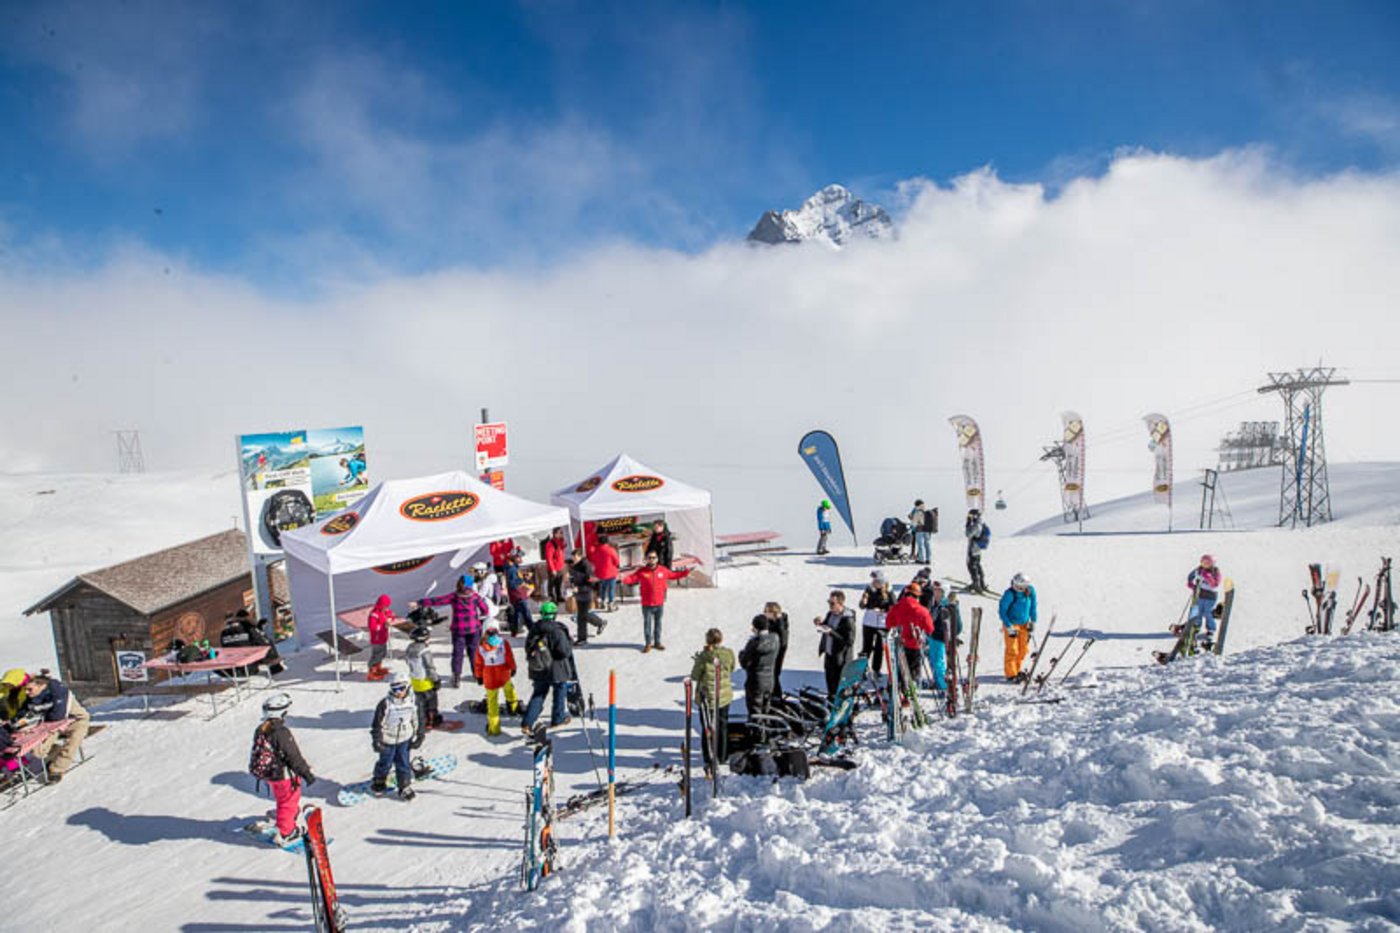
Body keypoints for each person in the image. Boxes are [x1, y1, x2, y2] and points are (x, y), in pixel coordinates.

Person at [248, 693, 316, 847]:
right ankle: (286, 833)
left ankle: (286, 817)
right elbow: (293, 756)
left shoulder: (261, 729)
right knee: (288, 801)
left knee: (283, 799)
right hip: (284, 775)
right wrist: (306, 773)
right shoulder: (281, 732)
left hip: (271, 775)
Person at [418, 576, 492, 689]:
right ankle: (477, 674)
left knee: (458, 653)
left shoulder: (454, 596)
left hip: (458, 629)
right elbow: (485, 610)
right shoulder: (475, 597)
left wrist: (420, 602)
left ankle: (456, 677)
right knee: (474, 652)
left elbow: (438, 601)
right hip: (473, 629)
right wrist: (479, 616)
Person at [20, 674, 91, 782]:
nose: (27, 692)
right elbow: (24, 712)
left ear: (41, 685)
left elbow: (58, 715)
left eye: (30, 689)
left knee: (73, 741)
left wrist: (39, 709)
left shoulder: (59, 691)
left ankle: (57, 768)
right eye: (26, 689)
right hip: (52, 725)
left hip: (76, 720)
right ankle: (56, 751)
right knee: (38, 752)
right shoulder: (33, 696)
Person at [621, 550, 692, 652]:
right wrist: (623, 579)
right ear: (646, 559)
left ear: (657, 559)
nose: (652, 559)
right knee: (647, 625)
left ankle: (657, 642)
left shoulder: (663, 570)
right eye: (649, 558)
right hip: (647, 604)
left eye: (654, 557)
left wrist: (685, 572)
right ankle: (648, 644)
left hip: (659, 603)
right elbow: (632, 578)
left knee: (658, 624)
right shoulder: (642, 571)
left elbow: (674, 575)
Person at [521, 602, 575, 733]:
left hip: (539, 668)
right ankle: (558, 718)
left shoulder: (535, 628)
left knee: (538, 694)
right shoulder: (557, 630)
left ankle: (527, 723)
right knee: (560, 691)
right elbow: (564, 651)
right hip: (556, 668)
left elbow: (528, 648)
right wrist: (569, 643)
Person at [370, 671, 424, 801]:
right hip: (388, 739)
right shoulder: (386, 704)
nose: (398, 692)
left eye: (401, 688)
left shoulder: (413, 702)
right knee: (385, 762)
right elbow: (377, 724)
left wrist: (420, 735)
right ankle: (379, 780)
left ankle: (404, 786)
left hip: (405, 738)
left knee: (403, 763)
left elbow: (418, 719)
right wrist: (377, 739)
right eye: (394, 689)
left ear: (408, 686)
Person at [690, 628, 735, 777]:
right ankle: (722, 755)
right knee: (723, 725)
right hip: (724, 695)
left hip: (707, 697)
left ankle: (708, 756)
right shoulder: (728, 653)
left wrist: (699, 659)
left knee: (707, 728)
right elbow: (732, 668)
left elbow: (695, 675)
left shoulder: (704, 657)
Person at [473, 624, 521, 736]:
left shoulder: (481, 647)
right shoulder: (503, 643)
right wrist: (513, 668)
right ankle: (513, 708)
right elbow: (509, 657)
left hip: (489, 676)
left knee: (492, 702)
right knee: (509, 690)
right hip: (503, 672)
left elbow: (478, 664)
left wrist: (479, 676)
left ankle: (494, 728)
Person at [886, 582, 934, 687]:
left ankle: (901, 688)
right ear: (917, 596)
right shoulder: (922, 610)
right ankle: (912, 688)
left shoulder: (897, 607)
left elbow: (889, 624)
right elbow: (930, 628)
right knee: (914, 672)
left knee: (900, 670)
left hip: (899, 645)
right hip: (915, 645)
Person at [814, 590, 856, 701]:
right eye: (829, 602)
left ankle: (839, 705)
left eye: (832, 603)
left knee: (839, 686)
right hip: (829, 654)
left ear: (840, 603)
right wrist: (820, 623)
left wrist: (831, 633)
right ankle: (831, 702)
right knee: (830, 683)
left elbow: (849, 641)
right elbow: (826, 626)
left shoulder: (848, 619)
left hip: (840, 658)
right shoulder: (830, 614)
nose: (830, 606)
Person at [738, 615, 780, 722]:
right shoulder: (775, 639)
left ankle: (757, 731)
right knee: (766, 709)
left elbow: (744, 663)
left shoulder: (754, 644)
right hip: (770, 680)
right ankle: (766, 729)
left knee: (755, 710)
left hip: (755, 681)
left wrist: (741, 654)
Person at [998, 572, 1038, 683]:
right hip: (1012, 624)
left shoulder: (1030, 591)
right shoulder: (1010, 594)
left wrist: (1033, 621)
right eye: (1017, 586)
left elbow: (1033, 607)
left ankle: (1017, 669)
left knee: (1023, 649)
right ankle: (1011, 674)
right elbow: (1002, 611)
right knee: (1013, 650)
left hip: (1025, 624)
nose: (1019, 589)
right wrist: (1008, 626)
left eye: (1021, 587)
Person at [404, 625, 443, 729]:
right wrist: (436, 680)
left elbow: (407, 661)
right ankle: (432, 720)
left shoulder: (410, 648)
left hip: (415, 681)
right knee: (431, 701)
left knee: (420, 702)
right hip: (426, 682)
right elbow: (429, 667)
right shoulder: (425, 651)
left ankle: (422, 719)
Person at [859, 569, 894, 677]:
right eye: (873, 580)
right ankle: (863, 669)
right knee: (866, 647)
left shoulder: (889, 592)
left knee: (879, 647)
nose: (874, 582)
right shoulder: (869, 589)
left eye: (876, 580)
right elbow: (862, 606)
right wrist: (864, 601)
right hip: (869, 622)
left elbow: (893, 607)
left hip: (882, 623)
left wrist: (884, 610)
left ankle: (876, 669)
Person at [568, 551, 606, 645]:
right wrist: (572, 581)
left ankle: (582, 639)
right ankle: (600, 623)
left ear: (580, 556)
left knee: (581, 617)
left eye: (575, 557)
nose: (573, 559)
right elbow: (577, 577)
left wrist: (580, 588)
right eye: (573, 557)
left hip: (586, 593)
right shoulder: (576, 565)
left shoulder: (586, 566)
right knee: (583, 615)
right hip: (579, 593)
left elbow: (591, 582)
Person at [1187, 555, 1223, 645]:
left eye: (1207, 563)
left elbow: (1215, 584)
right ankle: (1196, 627)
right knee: (1198, 612)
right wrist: (1191, 584)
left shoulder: (1215, 572)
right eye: (1203, 563)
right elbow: (1190, 577)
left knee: (1208, 613)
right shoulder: (1199, 570)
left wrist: (1207, 576)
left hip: (1210, 596)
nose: (1205, 565)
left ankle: (1211, 629)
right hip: (1199, 595)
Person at [366, 594, 395, 681]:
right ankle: (372, 670)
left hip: (383, 637)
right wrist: (383, 626)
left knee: (383, 653)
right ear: (382, 605)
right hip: (376, 639)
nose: (387, 608)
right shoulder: (374, 614)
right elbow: (372, 626)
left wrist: (390, 619)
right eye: (386, 606)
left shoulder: (385, 611)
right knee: (377, 654)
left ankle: (378, 668)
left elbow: (391, 614)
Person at [764, 601, 791, 695]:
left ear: (773, 612)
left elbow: (783, 639)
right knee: (772, 675)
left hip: (777, 652)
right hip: (772, 651)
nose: (764, 613)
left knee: (774, 674)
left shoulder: (780, 623)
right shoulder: (771, 622)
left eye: (767, 611)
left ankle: (777, 695)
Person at [505, 552, 534, 636]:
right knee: (526, 612)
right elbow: (512, 584)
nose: (521, 559)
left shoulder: (514, 567)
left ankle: (514, 630)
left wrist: (524, 577)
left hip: (518, 594)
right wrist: (523, 583)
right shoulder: (511, 569)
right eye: (519, 557)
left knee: (517, 612)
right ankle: (532, 630)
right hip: (518, 594)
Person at [592, 533, 622, 611]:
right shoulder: (611, 550)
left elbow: (594, 560)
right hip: (611, 573)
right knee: (611, 589)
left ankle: (602, 602)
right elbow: (616, 561)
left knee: (602, 588)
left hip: (600, 573)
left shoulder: (596, 550)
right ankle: (611, 604)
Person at [965, 509, 991, 593]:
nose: (970, 517)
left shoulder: (976, 525)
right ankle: (982, 583)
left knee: (972, 566)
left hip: (973, 549)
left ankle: (976, 584)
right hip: (978, 550)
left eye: (970, 516)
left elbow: (968, 534)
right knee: (977, 565)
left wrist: (968, 523)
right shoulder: (981, 524)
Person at [543, 528, 569, 603]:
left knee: (559, 582)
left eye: (562, 532)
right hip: (554, 567)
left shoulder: (560, 541)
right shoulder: (551, 544)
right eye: (559, 533)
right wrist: (552, 569)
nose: (561, 534)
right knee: (552, 583)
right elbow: (549, 558)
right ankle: (551, 597)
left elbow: (562, 550)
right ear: (555, 534)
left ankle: (559, 596)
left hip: (560, 566)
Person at [909, 499, 932, 565]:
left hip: (919, 530)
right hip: (927, 530)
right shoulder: (926, 511)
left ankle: (921, 559)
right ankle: (928, 559)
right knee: (927, 545)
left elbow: (914, 523)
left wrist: (912, 525)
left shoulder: (918, 512)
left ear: (917, 505)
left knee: (920, 545)